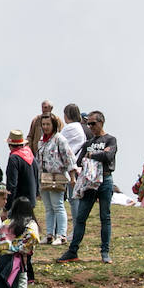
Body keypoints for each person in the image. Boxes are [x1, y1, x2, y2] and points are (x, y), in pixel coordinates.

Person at [56, 111, 118, 265]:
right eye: (88, 124)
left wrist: (92, 156)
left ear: (101, 122)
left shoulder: (110, 139)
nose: (90, 127)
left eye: (93, 124)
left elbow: (108, 157)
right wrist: (98, 154)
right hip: (90, 182)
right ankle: (72, 251)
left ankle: (105, 252)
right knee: (81, 217)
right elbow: (78, 160)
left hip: (105, 179)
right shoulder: (88, 143)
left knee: (105, 217)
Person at [35, 113, 74, 245]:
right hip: (44, 177)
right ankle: (50, 234)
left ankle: (61, 235)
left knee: (58, 205)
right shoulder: (42, 141)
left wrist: (72, 177)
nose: (46, 127)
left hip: (57, 177)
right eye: (43, 124)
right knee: (48, 207)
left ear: (54, 125)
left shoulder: (60, 139)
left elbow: (69, 158)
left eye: (48, 124)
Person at [4, 129, 38, 210]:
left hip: (18, 202)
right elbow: (37, 175)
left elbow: (12, 184)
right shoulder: (30, 154)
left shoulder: (14, 158)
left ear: (9, 145)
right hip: (31, 201)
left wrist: (7, 206)